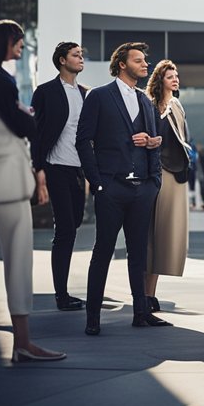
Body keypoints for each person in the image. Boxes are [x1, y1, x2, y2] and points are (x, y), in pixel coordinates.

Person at [0, 20, 66, 362]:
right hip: (7, 181)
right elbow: (24, 126)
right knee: (18, 261)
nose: (19, 47)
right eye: (17, 42)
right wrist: (27, 116)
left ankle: (23, 342)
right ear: (6, 42)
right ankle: (23, 342)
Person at [77, 41, 170, 335]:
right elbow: (82, 140)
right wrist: (97, 180)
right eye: (139, 60)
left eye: (145, 60)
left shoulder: (145, 101)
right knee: (103, 251)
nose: (145, 65)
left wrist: (154, 178)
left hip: (143, 188)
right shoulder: (99, 96)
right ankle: (93, 318)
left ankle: (141, 312)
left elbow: (155, 141)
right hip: (111, 187)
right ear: (122, 64)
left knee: (139, 253)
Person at [30, 41, 89, 311]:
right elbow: (36, 132)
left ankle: (63, 293)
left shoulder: (86, 94)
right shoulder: (45, 92)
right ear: (62, 60)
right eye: (76, 55)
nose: (81, 58)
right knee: (65, 228)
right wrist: (38, 168)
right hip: (55, 166)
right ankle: (61, 295)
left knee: (74, 223)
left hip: (78, 170)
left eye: (81, 55)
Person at [145, 60, 190, 314]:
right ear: (160, 79)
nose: (175, 79)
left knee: (162, 236)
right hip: (152, 175)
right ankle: (144, 294)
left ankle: (149, 293)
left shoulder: (176, 105)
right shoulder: (149, 105)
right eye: (170, 76)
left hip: (171, 176)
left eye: (177, 75)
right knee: (149, 234)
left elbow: (182, 143)